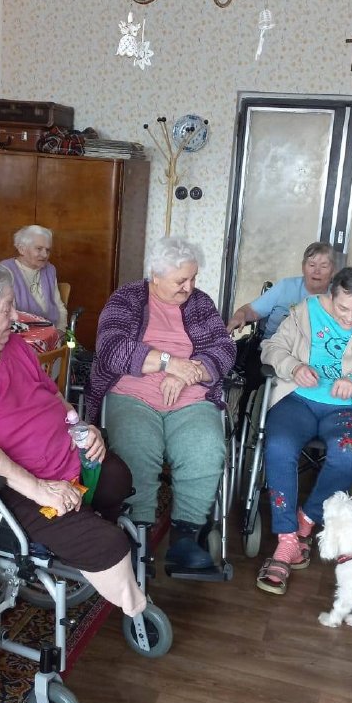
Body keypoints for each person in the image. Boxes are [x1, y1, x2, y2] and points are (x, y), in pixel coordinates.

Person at [0, 257, 146, 617]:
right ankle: (133, 605)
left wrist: (81, 429)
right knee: (107, 543)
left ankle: (79, 531)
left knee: (117, 477)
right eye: (6, 309)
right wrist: (38, 488)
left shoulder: (12, 346)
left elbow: (52, 396)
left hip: (62, 462)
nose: (15, 316)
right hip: (7, 486)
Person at [86, 236, 236, 575]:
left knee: (205, 447)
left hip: (191, 396)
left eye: (193, 278)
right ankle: (137, 533)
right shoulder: (126, 299)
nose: (189, 287)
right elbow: (111, 348)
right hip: (133, 394)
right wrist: (170, 363)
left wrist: (189, 373)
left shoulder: (200, 303)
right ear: (155, 275)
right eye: (181, 280)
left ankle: (185, 537)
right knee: (136, 449)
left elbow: (224, 348)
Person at [256, 267, 352, 595]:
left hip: (350, 406)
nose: (350, 317)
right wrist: (294, 366)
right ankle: (287, 541)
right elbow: (271, 347)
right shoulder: (305, 311)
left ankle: (307, 520)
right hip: (298, 399)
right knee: (278, 446)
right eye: (342, 308)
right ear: (331, 295)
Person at [227, 242, 336, 338]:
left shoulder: (338, 296)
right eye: (312, 265)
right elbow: (252, 310)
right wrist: (240, 314)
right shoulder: (285, 286)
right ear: (303, 267)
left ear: (332, 271)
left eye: (324, 266)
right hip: (272, 347)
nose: (317, 271)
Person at [0, 223, 68, 331]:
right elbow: (6, 315)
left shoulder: (50, 269)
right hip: (21, 333)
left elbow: (59, 306)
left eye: (47, 250)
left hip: (51, 331)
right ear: (21, 249)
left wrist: (61, 331)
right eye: (39, 249)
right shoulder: (5, 271)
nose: (45, 255)